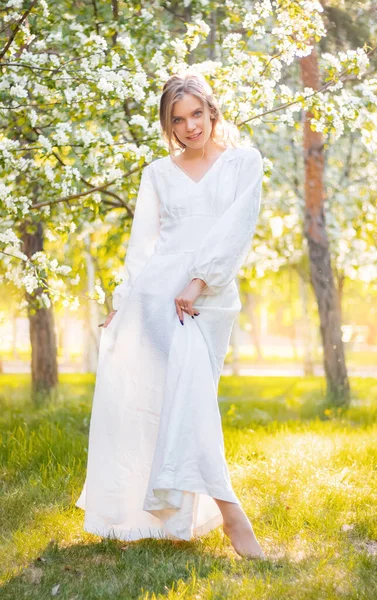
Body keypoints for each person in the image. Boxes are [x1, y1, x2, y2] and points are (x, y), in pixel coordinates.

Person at [76, 72, 265, 560]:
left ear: (211, 111)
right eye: (178, 120)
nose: (189, 127)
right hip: (159, 298)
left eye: (196, 114)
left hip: (212, 295)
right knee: (190, 394)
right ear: (169, 125)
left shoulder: (244, 162)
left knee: (189, 397)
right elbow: (143, 248)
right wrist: (122, 305)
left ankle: (181, 514)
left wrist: (200, 279)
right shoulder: (158, 173)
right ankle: (231, 514)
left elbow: (236, 231)